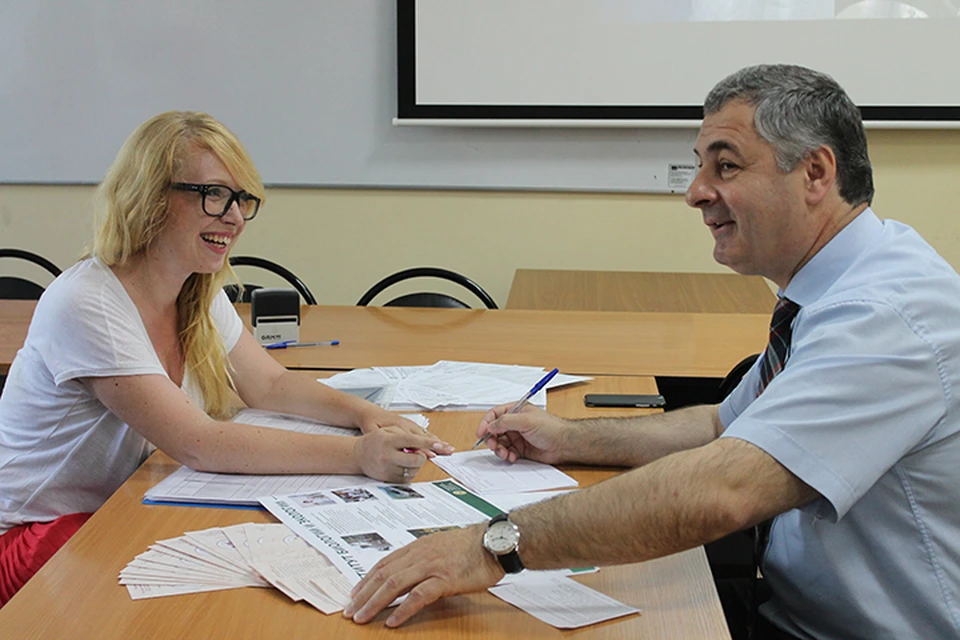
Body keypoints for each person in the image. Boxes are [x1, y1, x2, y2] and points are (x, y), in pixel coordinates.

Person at [343, 64, 960, 639]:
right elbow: (722, 426)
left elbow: (724, 490)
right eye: (699, 167)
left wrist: (489, 546)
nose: (695, 192)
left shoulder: (886, 317)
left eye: (726, 166)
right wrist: (570, 438)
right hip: (795, 610)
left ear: (816, 174)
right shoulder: (839, 285)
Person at [0, 111, 453, 606]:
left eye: (242, 199)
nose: (235, 218)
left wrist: (367, 416)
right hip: (35, 536)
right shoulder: (88, 302)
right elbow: (199, 443)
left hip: (113, 510)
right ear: (149, 197)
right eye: (214, 195)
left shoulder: (194, 290)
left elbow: (270, 385)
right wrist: (358, 456)